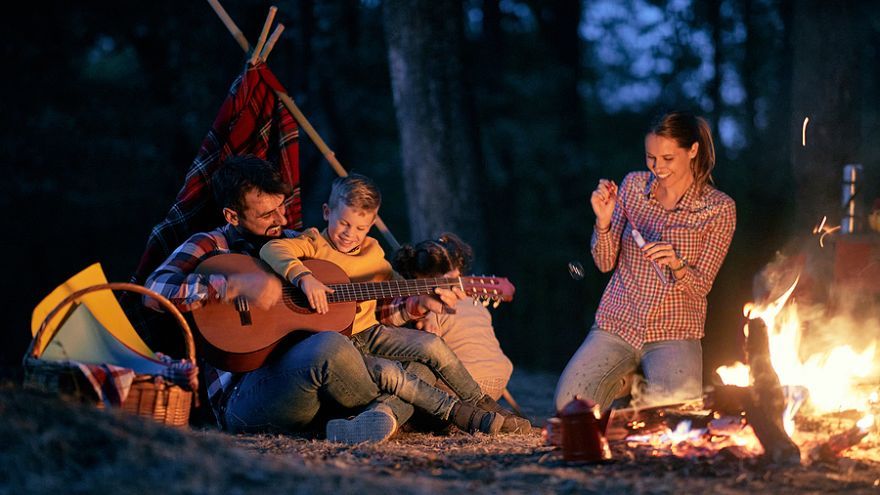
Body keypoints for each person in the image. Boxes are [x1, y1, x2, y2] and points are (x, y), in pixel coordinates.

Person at [143, 156, 490, 443]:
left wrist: (418, 303)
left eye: (282, 208)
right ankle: (413, 412)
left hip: (320, 388)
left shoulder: (297, 241)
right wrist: (230, 287)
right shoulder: (211, 245)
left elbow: (372, 313)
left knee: (416, 365)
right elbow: (154, 291)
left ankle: (374, 420)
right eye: (267, 215)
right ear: (232, 216)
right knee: (331, 346)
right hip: (247, 396)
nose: (281, 221)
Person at [260, 174, 530, 437]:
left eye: (360, 228)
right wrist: (304, 278)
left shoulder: (374, 253)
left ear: (371, 224)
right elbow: (272, 249)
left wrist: (424, 303)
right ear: (327, 211)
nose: (350, 234)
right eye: (344, 223)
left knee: (433, 345)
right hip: (340, 343)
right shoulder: (314, 243)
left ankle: (480, 402)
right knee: (392, 373)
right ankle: (463, 415)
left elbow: (400, 292)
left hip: (370, 333)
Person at [554, 111, 737, 412]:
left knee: (676, 421)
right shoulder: (632, 187)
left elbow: (701, 287)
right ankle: (627, 381)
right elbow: (603, 262)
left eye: (668, 158)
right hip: (619, 322)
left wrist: (677, 265)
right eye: (651, 157)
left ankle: (639, 385)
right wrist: (603, 222)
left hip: (675, 330)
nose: (658, 167)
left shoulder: (719, 209)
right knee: (569, 408)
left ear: (693, 150)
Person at [391, 233, 514, 400]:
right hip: (500, 376)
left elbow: (429, 348)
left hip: (464, 384)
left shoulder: (433, 307)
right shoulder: (473, 299)